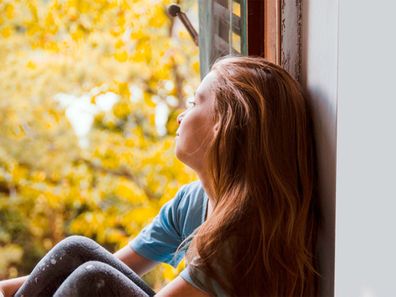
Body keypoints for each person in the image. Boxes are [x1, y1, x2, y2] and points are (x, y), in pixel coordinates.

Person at [0, 56, 319, 297]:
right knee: (77, 251)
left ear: (223, 125)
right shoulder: (192, 202)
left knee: (92, 279)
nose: (181, 114)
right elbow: (108, 266)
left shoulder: (241, 233)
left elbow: (101, 282)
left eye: (195, 102)